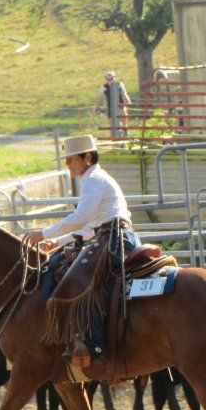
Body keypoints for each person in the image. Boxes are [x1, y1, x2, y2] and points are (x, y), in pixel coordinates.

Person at [25, 134, 138, 366]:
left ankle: (94, 343)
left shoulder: (92, 179)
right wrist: (58, 242)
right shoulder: (95, 179)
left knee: (79, 279)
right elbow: (91, 226)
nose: (67, 164)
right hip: (114, 236)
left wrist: (45, 234)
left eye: (71, 159)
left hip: (113, 239)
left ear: (87, 157)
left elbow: (82, 218)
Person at [96, 71, 131, 138]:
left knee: (123, 114)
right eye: (108, 79)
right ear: (106, 79)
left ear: (114, 78)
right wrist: (98, 106)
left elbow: (124, 94)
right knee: (112, 124)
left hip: (120, 104)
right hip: (111, 106)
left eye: (112, 79)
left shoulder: (120, 84)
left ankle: (125, 128)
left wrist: (128, 101)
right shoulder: (104, 87)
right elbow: (101, 98)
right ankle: (117, 135)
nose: (110, 81)